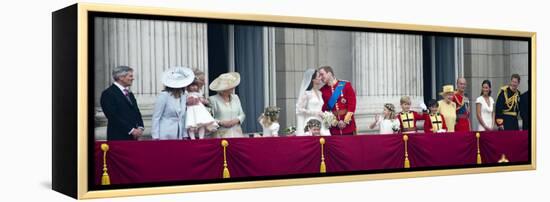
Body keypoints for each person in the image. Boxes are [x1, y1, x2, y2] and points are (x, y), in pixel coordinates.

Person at [100, 66, 145, 140]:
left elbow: (136, 111)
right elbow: (113, 116)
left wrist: (140, 127)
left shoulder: (130, 93)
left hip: (133, 137)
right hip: (118, 137)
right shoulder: (108, 93)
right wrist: (131, 130)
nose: (132, 78)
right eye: (130, 76)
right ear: (121, 77)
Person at [151, 67, 195, 140]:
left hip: (179, 134)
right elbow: (156, 117)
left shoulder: (183, 95)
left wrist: (184, 134)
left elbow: (183, 117)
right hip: (164, 134)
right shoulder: (164, 95)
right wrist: (155, 136)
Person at [318, 66, 357, 135]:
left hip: (348, 127)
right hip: (334, 129)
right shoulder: (322, 91)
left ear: (329, 73)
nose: (320, 78)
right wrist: (335, 122)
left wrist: (345, 121)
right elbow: (324, 110)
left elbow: (352, 105)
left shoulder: (345, 85)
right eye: (319, 76)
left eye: (322, 74)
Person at [208, 72, 246, 138]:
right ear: (223, 89)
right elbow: (209, 118)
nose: (233, 88)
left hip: (237, 134)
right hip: (220, 135)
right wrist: (221, 122)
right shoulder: (212, 99)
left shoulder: (235, 97)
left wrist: (236, 120)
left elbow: (242, 114)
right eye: (231, 86)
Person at [296, 69, 330, 136]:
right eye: (318, 76)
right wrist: (315, 112)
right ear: (313, 80)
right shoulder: (307, 93)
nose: (321, 78)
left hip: (321, 121)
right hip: (311, 122)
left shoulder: (320, 93)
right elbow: (300, 109)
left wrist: (326, 115)